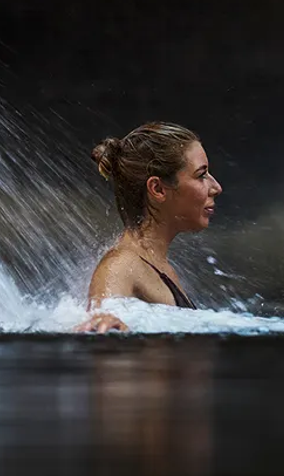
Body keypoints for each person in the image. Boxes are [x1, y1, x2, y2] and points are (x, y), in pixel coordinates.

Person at [75, 122, 222, 333]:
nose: (216, 187)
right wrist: (104, 322)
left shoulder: (156, 263)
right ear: (158, 189)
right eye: (201, 175)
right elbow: (101, 322)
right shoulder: (121, 266)